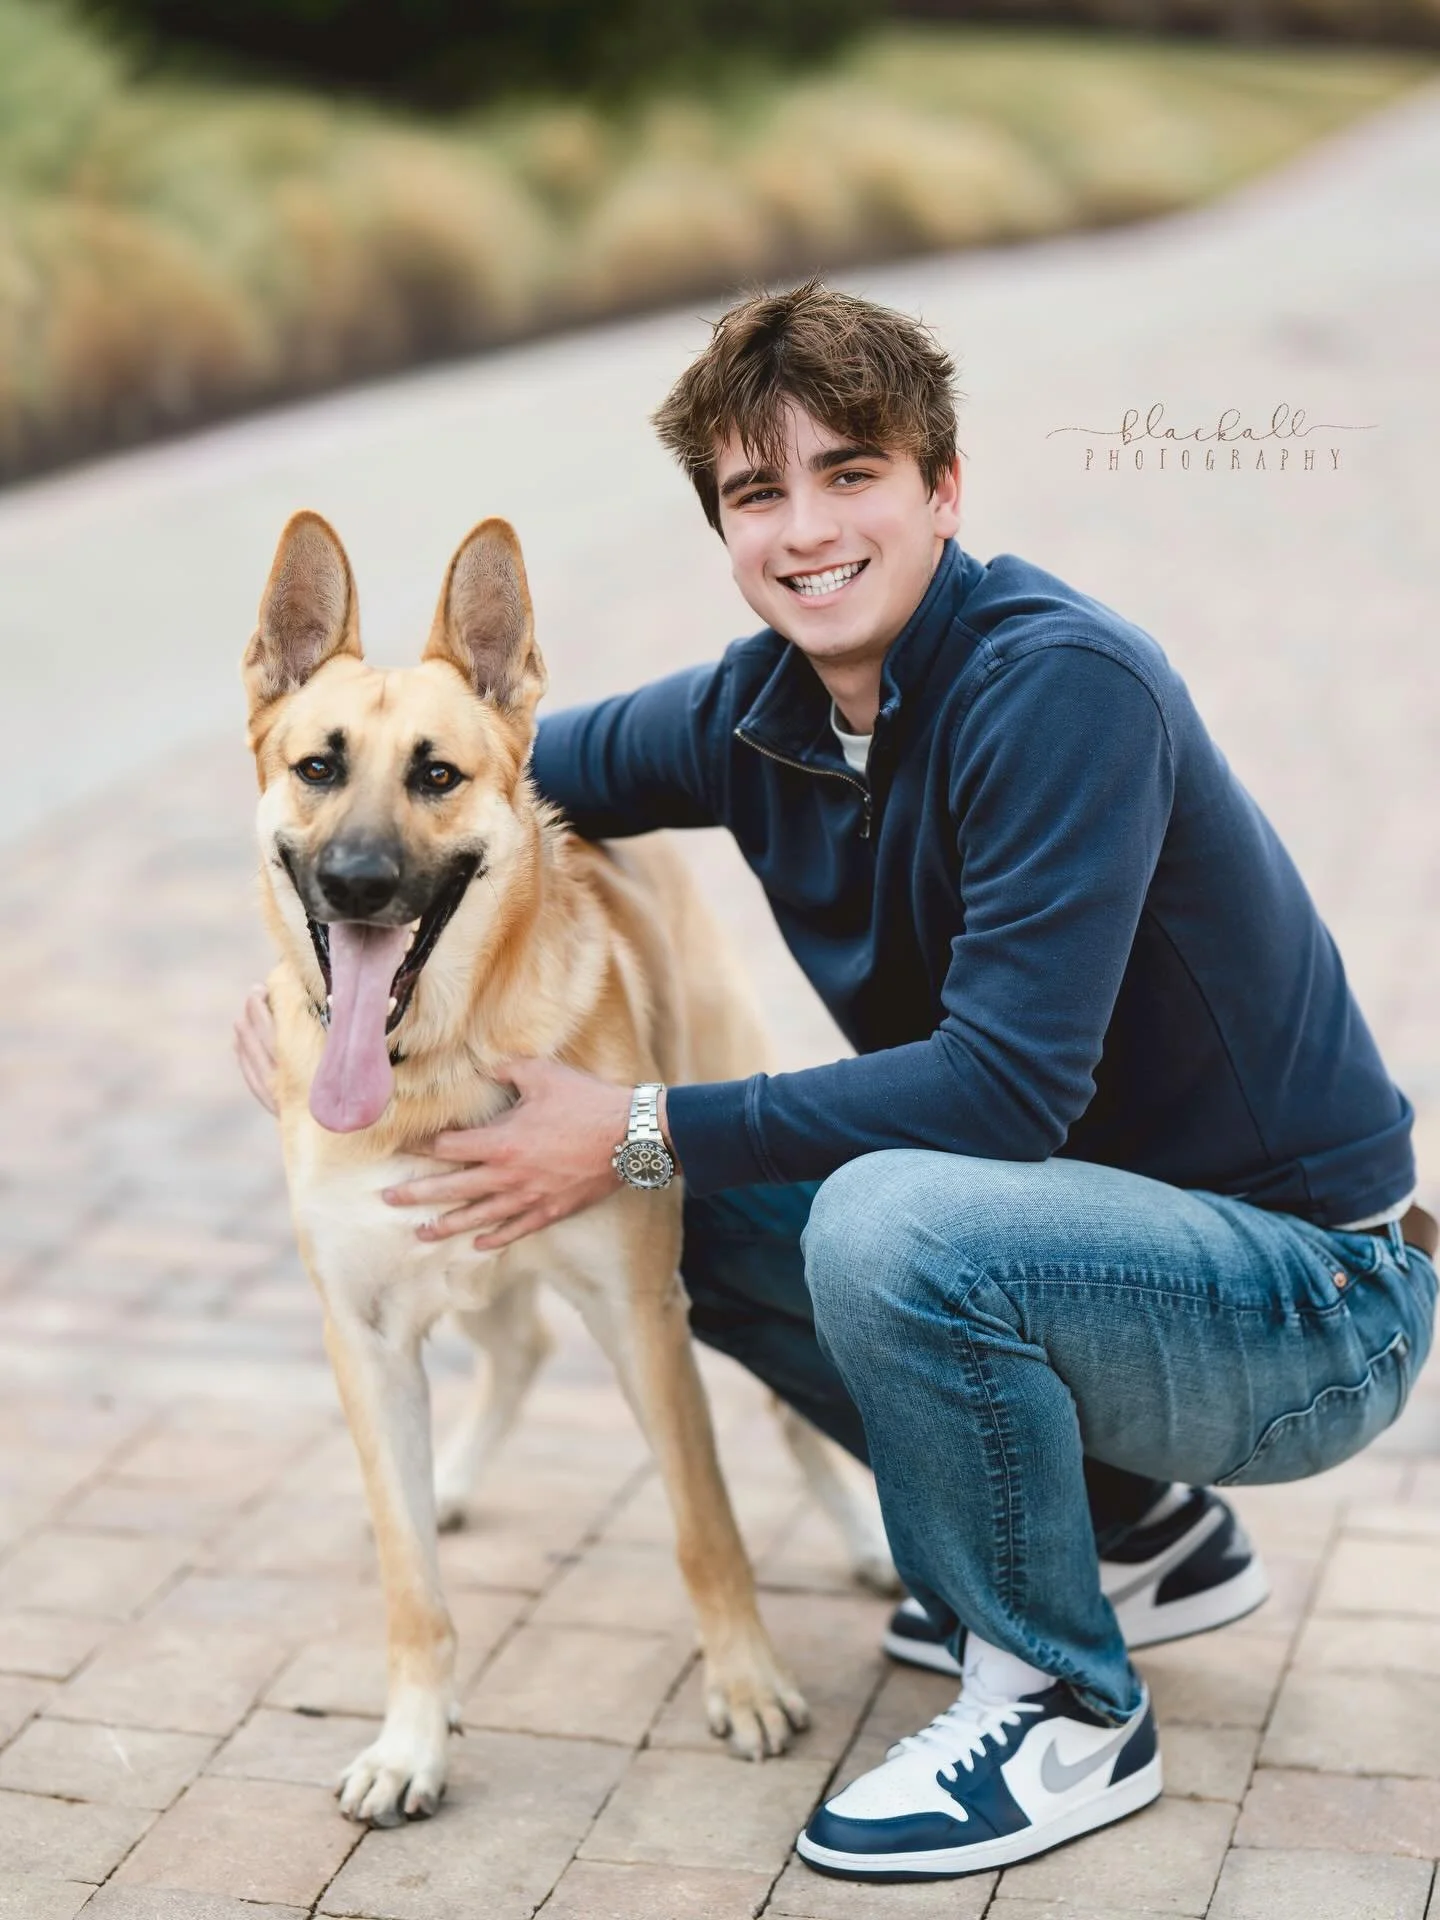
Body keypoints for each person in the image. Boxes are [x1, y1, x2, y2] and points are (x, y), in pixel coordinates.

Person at [235, 280, 1436, 1880]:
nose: (805, 528)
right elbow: (466, 780)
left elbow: (1003, 1097)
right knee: (704, 1222)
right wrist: (310, 983)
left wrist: (637, 1125)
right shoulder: (765, 709)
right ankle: (1138, 1535)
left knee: (870, 1221)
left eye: (850, 473)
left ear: (943, 488)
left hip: (1311, 1303)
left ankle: (1063, 1702)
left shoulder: (1063, 690)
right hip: (1107, 1247)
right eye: (756, 491)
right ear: (724, 528)